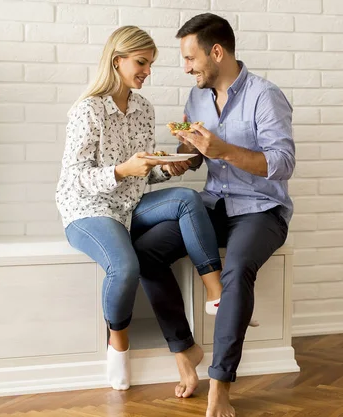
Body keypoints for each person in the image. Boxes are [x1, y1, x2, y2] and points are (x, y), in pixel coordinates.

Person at [141, 13, 295, 417]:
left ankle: (221, 385)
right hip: (213, 206)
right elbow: (200, 155)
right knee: (146, 252)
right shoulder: (196, 98)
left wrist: (222, 149)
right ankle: (184, 349)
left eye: (191, 58)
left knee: (238, 266)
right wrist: (182, 161)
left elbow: (282, 164)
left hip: (261, 210)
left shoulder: (266, 95)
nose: (186, 67)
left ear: (216, 51)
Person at [55, 25, 223, 395]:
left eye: (150, 63)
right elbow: (76, 176)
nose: (147, 70)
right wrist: (120, 170)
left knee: (186, 198)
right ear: (118, 61)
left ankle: (216, 292)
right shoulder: (88, 110)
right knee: (127, 265)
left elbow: (142, 174)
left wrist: (168, 167)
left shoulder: (143, 109)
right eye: (141, 62)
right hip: (88, 209)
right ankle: (118, 346)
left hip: (129, 205)